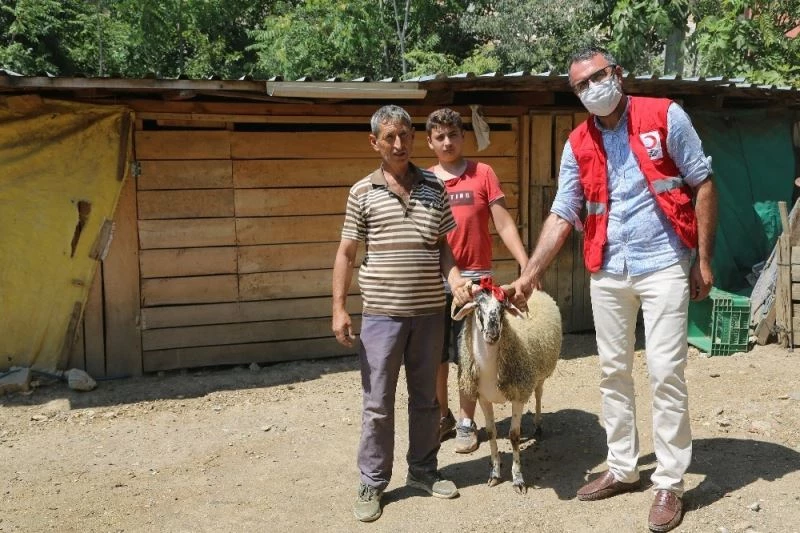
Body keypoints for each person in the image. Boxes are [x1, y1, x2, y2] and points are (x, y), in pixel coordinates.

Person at [510, 47, 717, 533]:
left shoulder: (664, 114)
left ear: (617, 74)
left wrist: (703, 261)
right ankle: (623, 466)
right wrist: (532, 271)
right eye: (581, 85)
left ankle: (668, 481)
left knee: (666, 371)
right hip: (607, 267)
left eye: (597, 77)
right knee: (612, 371)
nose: (591, 89)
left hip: (665, 261)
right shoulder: (577, 142)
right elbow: (564, 210)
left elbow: (703, 182)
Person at [332, 105, 473, 523]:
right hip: (382, 317)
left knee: (426, 398)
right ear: (374, 141)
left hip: (430, 313)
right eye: (390, 137)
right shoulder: (362, 193)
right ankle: (372, 481)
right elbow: (346, 252)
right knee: (377, 403)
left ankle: (424, 471)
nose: (399, 144)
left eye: (406, 135)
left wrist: (457, 279)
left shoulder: (433, 186)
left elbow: (443, 246)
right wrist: (339, 307)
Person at [425, 108, 529, 453]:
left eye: (453, 134)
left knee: (470, 354)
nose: (447, 141)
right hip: (432, 280)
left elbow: (503, 223)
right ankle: (443, 417)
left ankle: (467, 422)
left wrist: (526, 264)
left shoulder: (482, 174)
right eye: (439, 136)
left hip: (474, 280)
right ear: (429, 142)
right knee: (436, 354)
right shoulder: (424, 180)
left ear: (462, 137)